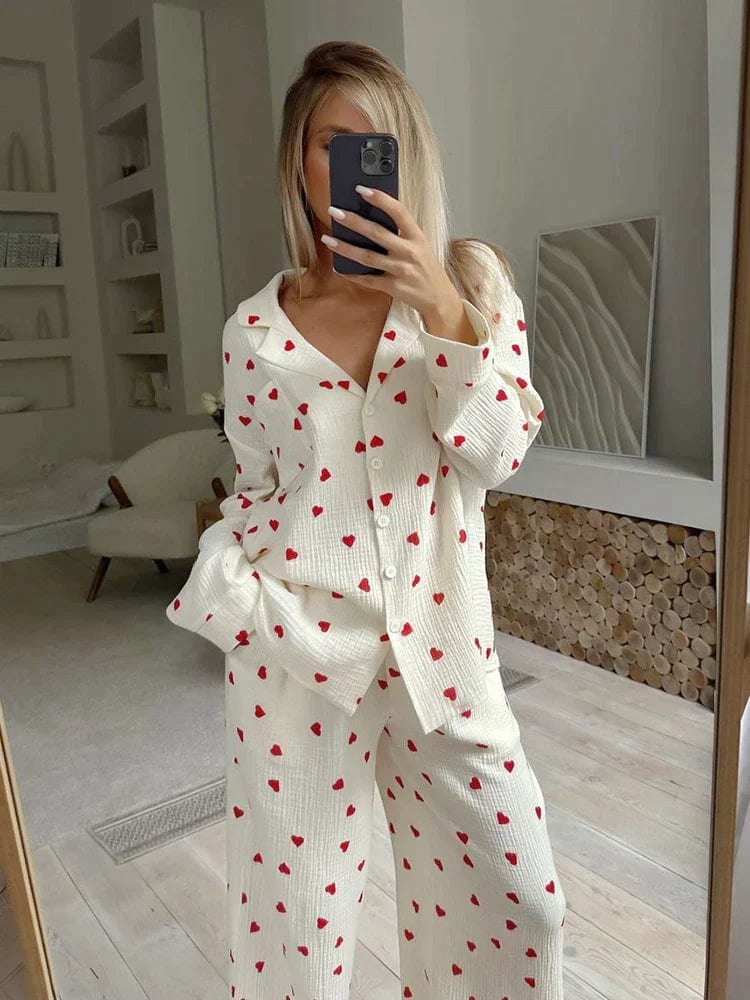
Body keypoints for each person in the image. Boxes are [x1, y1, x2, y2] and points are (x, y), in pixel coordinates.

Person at [165, 39, 565, 1000]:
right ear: (299, 163)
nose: (354, 165)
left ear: (408, 155)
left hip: (445, 651)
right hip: (297, 653)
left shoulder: (472, 284)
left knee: (519, 905)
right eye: (332, 144)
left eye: (376, 144)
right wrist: (234, 591)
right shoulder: (254, 330)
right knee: (293, 932)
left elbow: (501, 453)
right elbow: (254, 488)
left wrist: (440, 308)